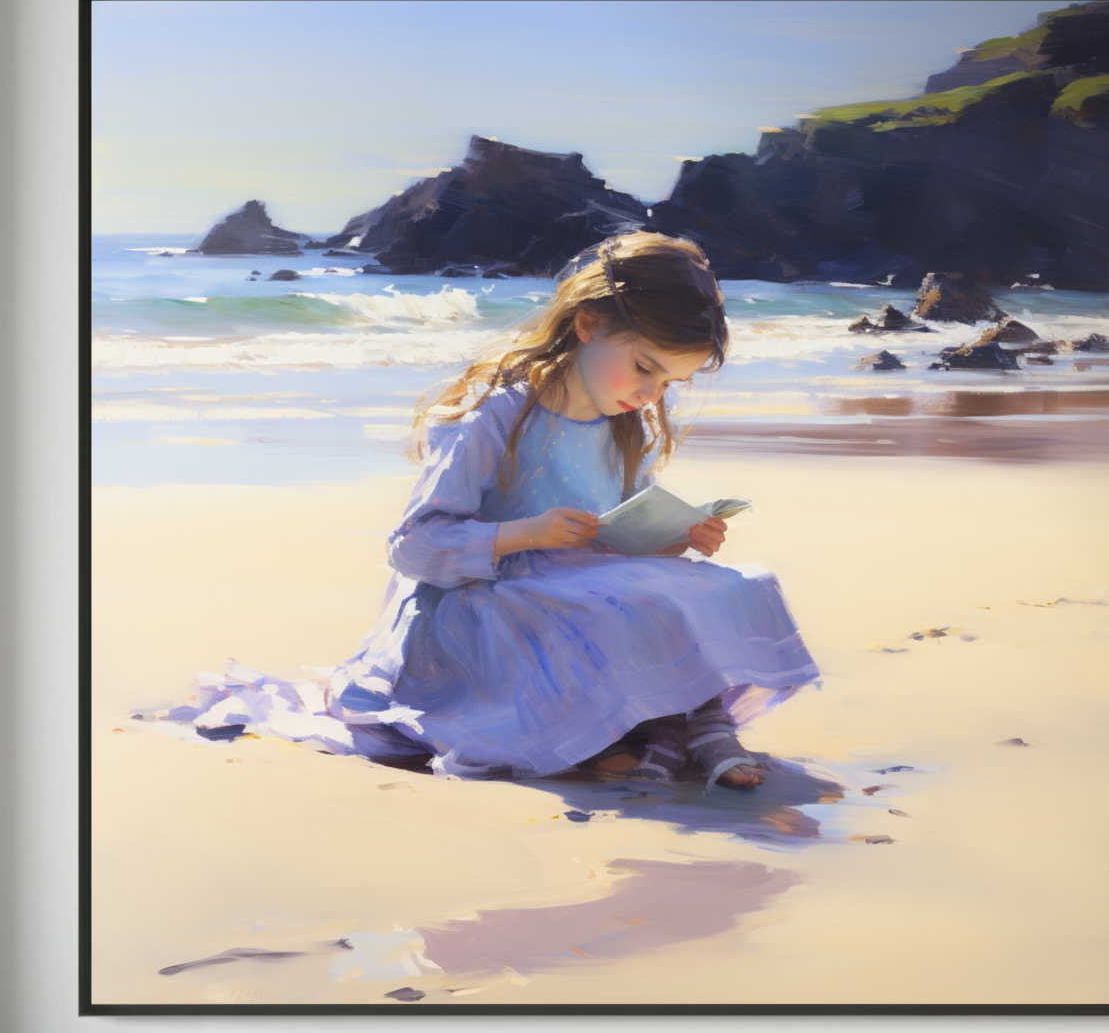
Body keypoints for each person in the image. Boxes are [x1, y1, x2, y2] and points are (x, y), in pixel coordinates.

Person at [319, 231, 819, 789]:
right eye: (644, 367)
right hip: (485, 598)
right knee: (619, 609)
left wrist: (677, 536)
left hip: (580, 580)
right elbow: (413, 546)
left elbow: (617, 534)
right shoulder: (493, 415)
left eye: (670, 380)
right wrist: (526, 532)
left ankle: (696, 725)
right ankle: (669, 729)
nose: (653, 392)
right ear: (588, 325)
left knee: (737, 583)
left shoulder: (626, 423)